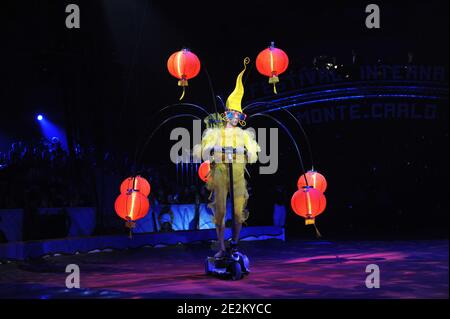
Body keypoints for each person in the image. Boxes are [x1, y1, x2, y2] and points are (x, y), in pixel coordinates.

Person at [194, 58, 260, 258]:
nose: (236, 118)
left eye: (239, 115)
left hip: (237, 174)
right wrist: (216, 148)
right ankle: (221, 246)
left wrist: (241, 152)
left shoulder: (244, 135)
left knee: (239, 212)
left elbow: (252, 155)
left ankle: (235, 243)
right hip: (221, 172)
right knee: (220, 211)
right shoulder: (215, 132)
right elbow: (204, 153)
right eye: (233, 114)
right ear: (227, 114)